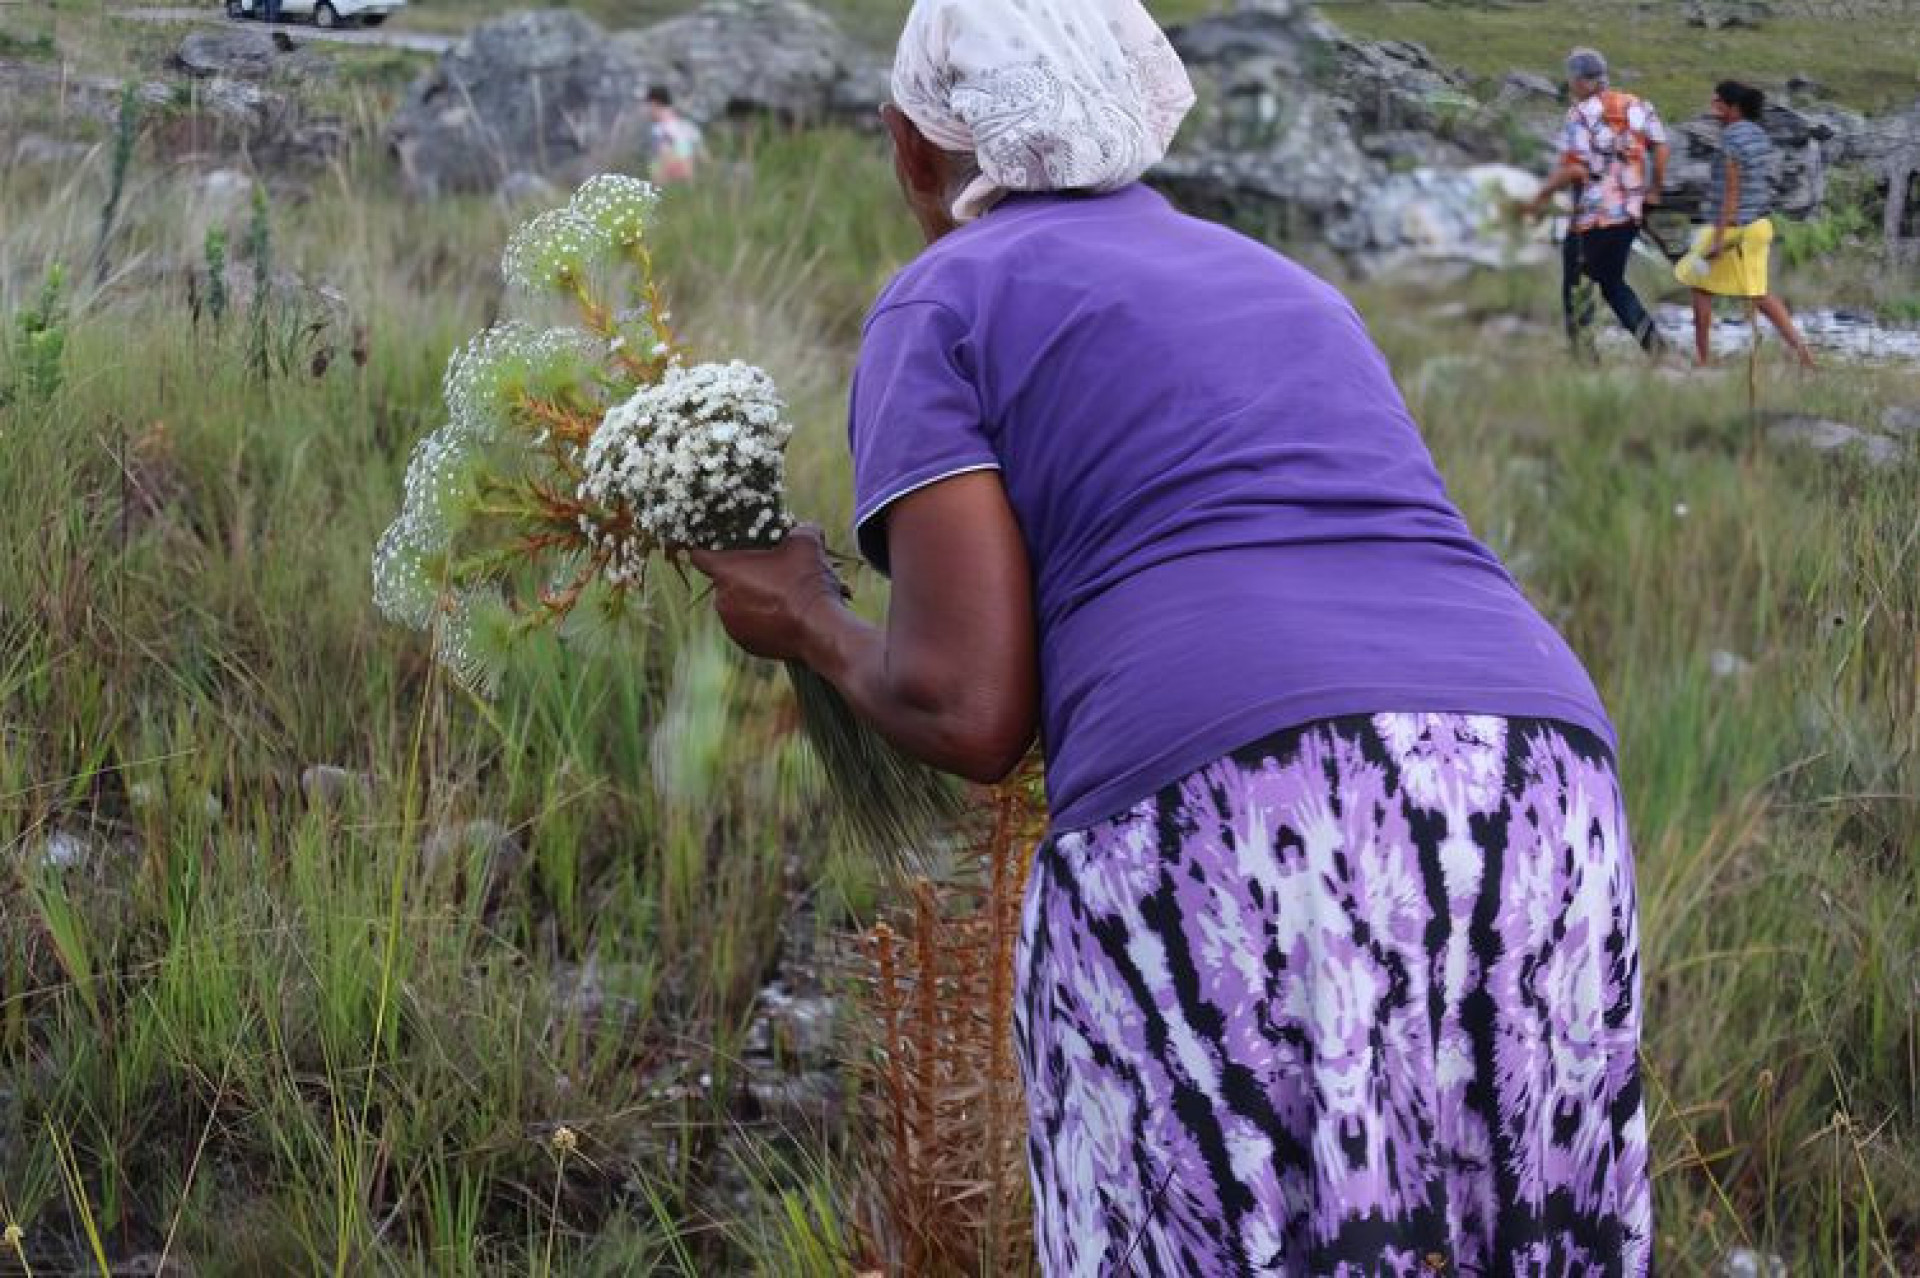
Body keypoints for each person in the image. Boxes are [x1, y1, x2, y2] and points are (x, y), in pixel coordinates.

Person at [691, 0, 1652, 1270]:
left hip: (1243, 811)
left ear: (911, 148)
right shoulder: (1289, 282)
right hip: (1546, 785)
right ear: (1137, 110)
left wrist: (805, 618)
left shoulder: (943, 298)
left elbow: (964, 706)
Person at [1525, 48, 1671, 359]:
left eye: (1572, 79)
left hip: (1592, 218)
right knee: (1611, 282)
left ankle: (1583, 358)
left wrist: (1540, 198)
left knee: (1575, 286)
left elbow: (1576, 168)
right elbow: (1660, 147)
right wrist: (1654, 190)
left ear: (1581, 80)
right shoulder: (1637, 105)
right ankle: (1657, 349)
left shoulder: (1579, 114)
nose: (1570, 85)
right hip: (1630, 215)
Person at [1677, 81, 1815, 368]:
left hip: (1733, 227)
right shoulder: (1760, 136)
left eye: (1718, 102)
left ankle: (1703, 362)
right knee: (1758, 295)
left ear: (1733, 107)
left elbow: (1732, 190)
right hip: (1759, 224)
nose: (1713, 107)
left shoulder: (1731, 140)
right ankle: (1804, 356)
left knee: (1699, 284)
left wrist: (1717, 239)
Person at [644, 87, 703, 186]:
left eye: (647, 105)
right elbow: (703, 156)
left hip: (669, 182)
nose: (645, 110)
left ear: (654, 103)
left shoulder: (659, 130)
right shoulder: (687, 126)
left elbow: (664, 155)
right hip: (687, 184)